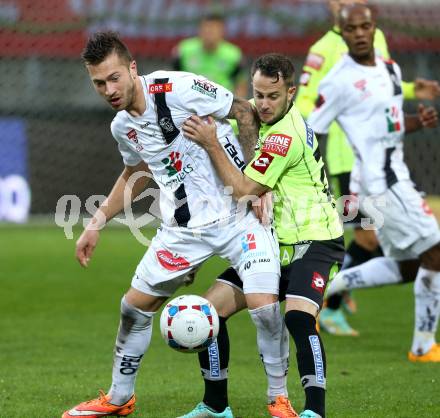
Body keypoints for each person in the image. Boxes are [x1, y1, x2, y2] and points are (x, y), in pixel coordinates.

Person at [62, 31, 285, 418]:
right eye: (99, 83)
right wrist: (95, 223)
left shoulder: (179, 87)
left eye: (115, 77)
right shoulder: (122, 127)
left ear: (132, 69)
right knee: (133, 308)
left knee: (264, 308)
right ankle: (118, 399)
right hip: (183, 231)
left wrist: (255, 183)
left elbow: (245, 112)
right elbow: (137, 172)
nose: (109, 89)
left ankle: (278, 401)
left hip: (238, 216)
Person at [180, 53, 345, 418]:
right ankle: (215, 405)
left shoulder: (285, 137)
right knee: (209, 313)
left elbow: (243, 190)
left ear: (291, 92)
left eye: (273, 96)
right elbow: (233, 110)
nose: (263, 105)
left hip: (315, 241)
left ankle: (314, 411)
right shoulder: (257, 108)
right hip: (273, 243)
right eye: (258, 95)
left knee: (299, 318)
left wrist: (210, 143)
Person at [296, 0, 440, 336]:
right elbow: (309, 114)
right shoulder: (326, 56)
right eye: (351, 27)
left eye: (365, 26)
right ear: (338, 22)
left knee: (399, 261)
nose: (359, 32)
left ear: (374, 24)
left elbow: (383, 108)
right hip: (366, 174)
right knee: (425, 250)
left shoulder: (388, 62)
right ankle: (420, 343)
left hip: (394, 172)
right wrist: (309, 180)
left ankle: (328, 290)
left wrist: (415, 117)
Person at [172, 11, 248, 98]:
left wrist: (236, 107)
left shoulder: (233, 55)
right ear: (199, 29)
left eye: (214, 28)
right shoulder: (183, 50)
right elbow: (173, 79)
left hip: (220, 104)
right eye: (206, 27)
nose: (209, 32)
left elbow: (240, 84)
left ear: (222, 31)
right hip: (188, 102)